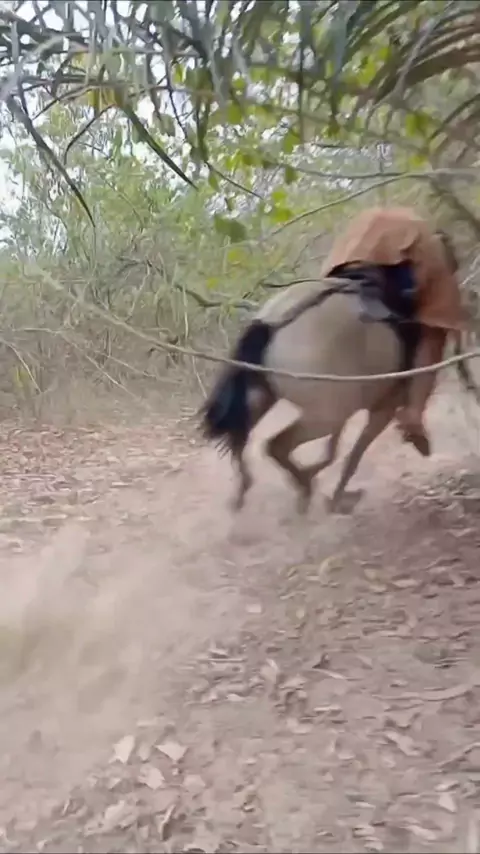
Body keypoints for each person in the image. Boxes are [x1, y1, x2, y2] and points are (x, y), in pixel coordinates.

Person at [321, 206, 465, 456]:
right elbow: (438, 325)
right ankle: (414, 415)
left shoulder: (381, 217)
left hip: (338, 269)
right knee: (434, 334)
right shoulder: (434, 251)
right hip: (389, 275)